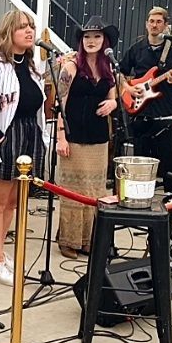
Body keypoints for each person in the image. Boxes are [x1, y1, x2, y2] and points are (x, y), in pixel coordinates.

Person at [0, 10, 47, 286]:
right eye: (22, 27)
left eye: (31, 26)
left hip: (29, 134)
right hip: (6, 135)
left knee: (13, 201)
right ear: (8, 32)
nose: (29, 31)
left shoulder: (31, 66)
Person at [54, 16, 119, 259]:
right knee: (73, 190)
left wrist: (113, 103)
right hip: (74, 136)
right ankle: (68, 239)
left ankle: (89, 240)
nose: (91, 41)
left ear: (105, 40)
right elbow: (60, 103)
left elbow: (113, 96)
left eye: (97, 36)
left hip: (98, 138)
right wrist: (61, 137)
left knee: (94, 190)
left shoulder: (109, 68)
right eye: (87, 37)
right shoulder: (71, 67)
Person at [120, 6, 172, 193]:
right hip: (141, 113)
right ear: (146, 24)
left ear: (166, 25)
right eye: (151, 21)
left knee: (169, 162)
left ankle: (171, 199)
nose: (154, 25)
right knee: (141, 162)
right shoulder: (136, 49)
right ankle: (139, 196)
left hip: (165, 114)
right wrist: (129, 88)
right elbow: (120, 73)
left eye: (159, 22)